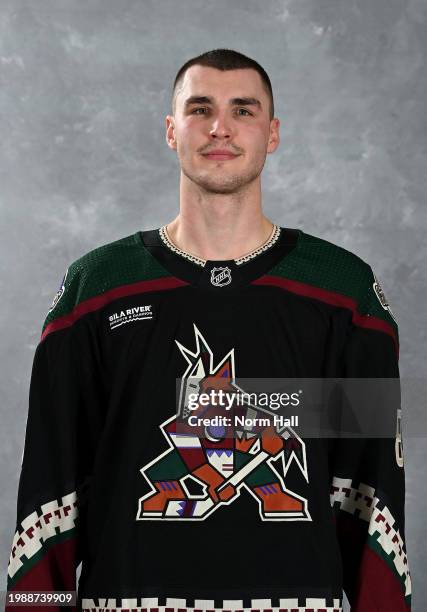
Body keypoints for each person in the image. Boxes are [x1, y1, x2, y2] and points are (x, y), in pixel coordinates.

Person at [5, 48, 411, 612]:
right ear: (172, 131)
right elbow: (50, 492)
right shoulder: (94, 290)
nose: (220, 126)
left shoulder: (343, 293)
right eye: (200, 109)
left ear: (272, 134)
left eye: (243, 110)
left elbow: (371, 496)